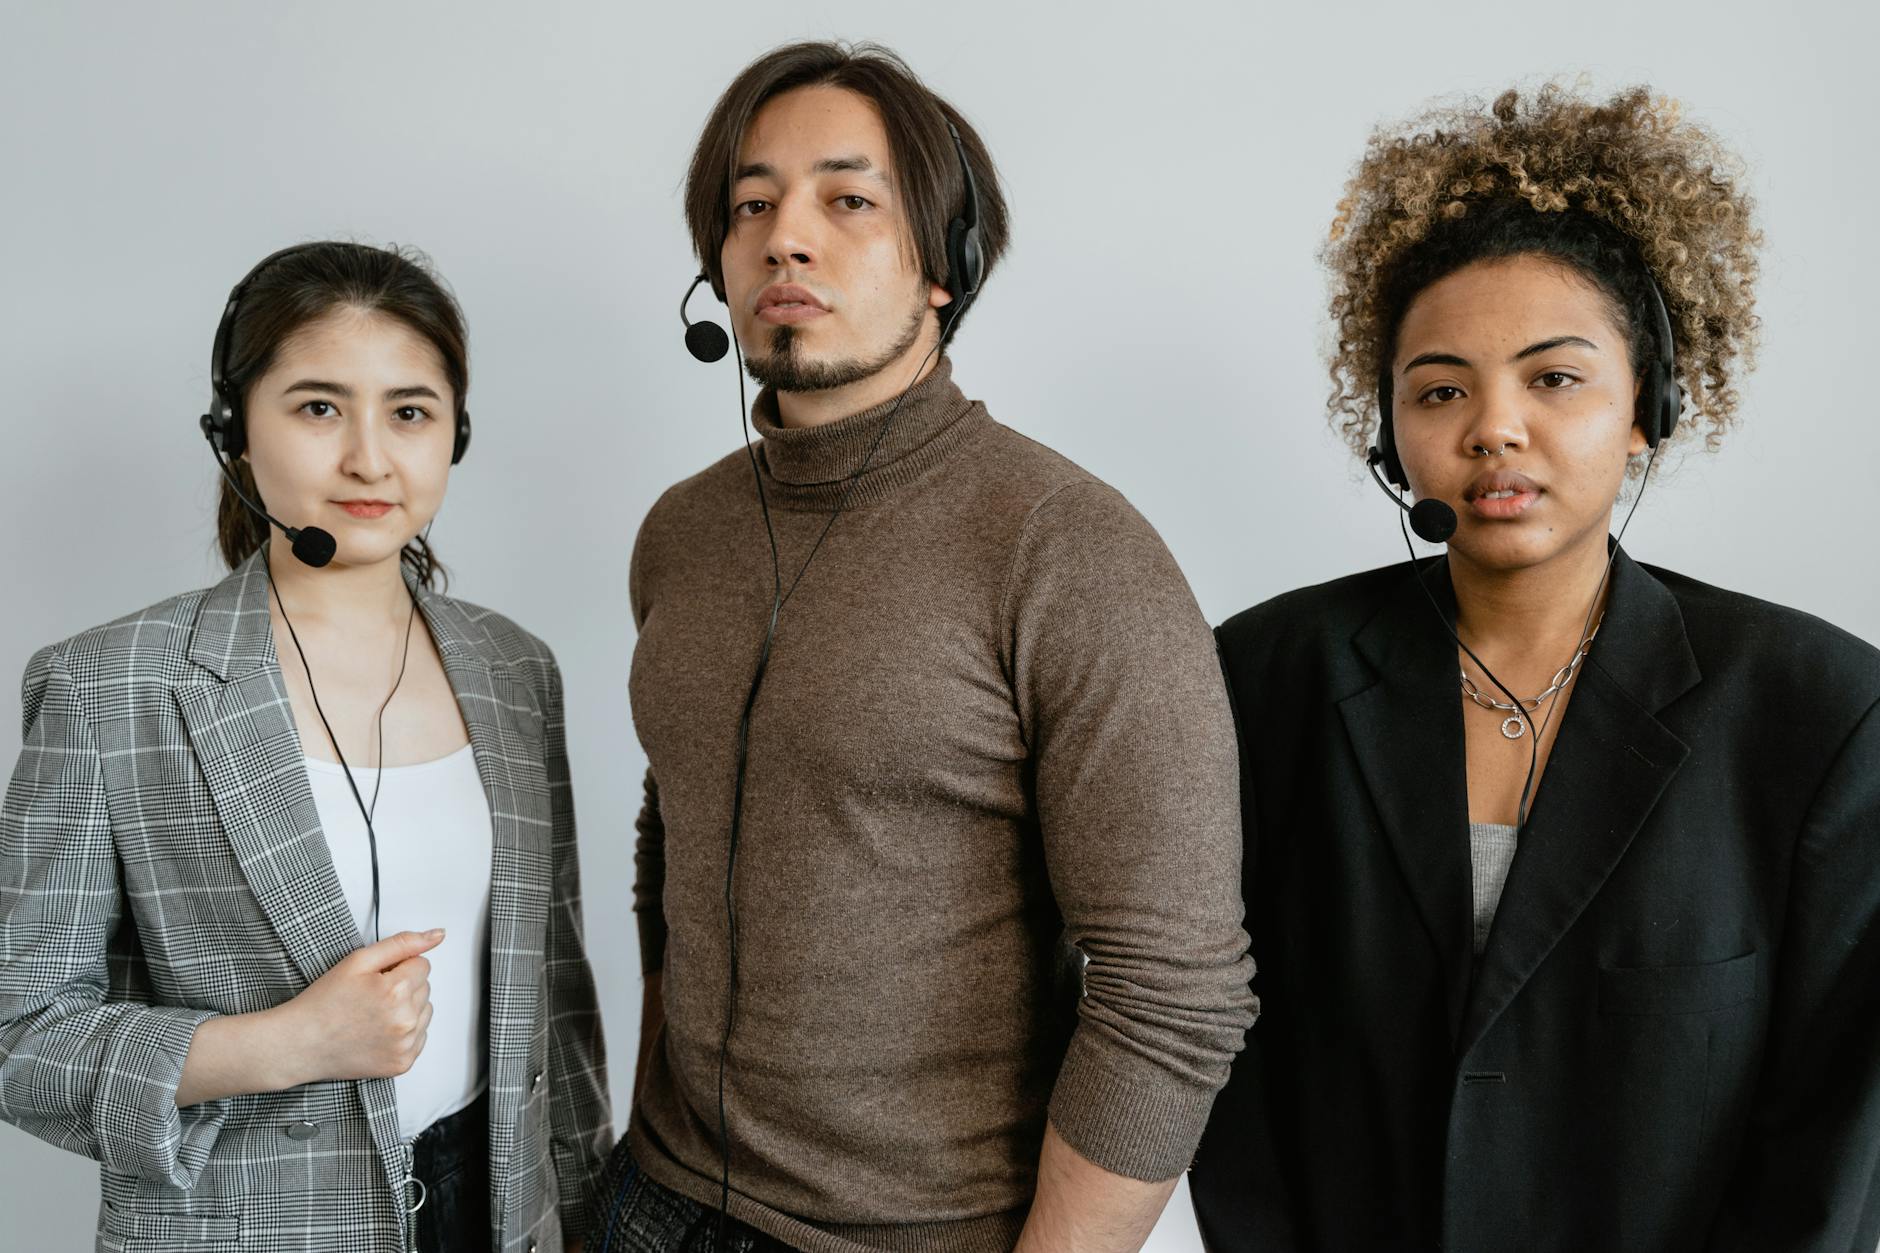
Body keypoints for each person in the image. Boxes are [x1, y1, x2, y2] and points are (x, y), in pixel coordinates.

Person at [1190, 85, 1880, 1251]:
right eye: (1439, 388)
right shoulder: (1262, 679)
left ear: (1647, 409)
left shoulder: (1818, 712)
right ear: (1388, 432)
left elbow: (1835, 1137)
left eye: (1552, 378)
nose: (1492, 426)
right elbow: (1223, 1061)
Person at [596, 40, 1256, 1253]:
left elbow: (1175, 992)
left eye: (848, 200)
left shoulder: (1068, 548)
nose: (785, 238)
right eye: (751, 206)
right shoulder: (679, 532)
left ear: (942, 264)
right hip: (651, 1203)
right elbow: (673, 832)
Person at [0, 241, 612, 1252]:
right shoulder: (110, 684)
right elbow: (18, 1033)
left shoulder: (515, 670)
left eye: (410, 411)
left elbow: (555, 1000)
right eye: (319, 407)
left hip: (496, 1215)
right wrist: (282, 1043)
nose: (370, 457)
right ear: (234, 432)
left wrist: (582, 1216)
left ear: (456, 435)